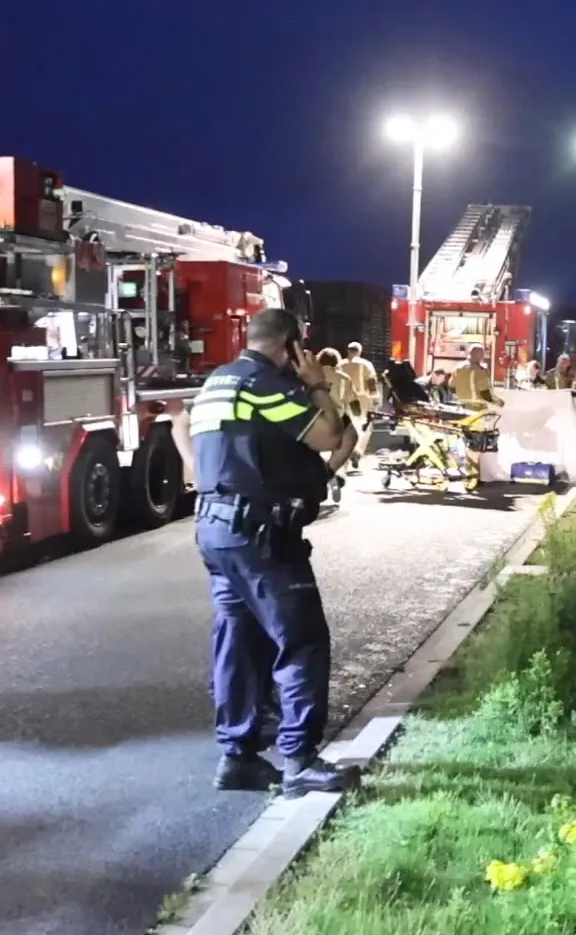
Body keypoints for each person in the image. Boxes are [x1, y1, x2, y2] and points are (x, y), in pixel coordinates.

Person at [176, 307, 361, 796]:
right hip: (259, 533)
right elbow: (330, 435)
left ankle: (238, 758)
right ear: (290, 346)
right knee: (301, 641)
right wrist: (317, 385)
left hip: (215, 527)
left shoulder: (217, 381)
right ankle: (299, 760)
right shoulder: (263, 385)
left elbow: (185, 435)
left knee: (238, 643)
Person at [334, 342, 378, 472]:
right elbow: (371, 382)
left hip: (345, 400)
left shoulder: (340, 365)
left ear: (348, 351)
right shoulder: (366, 364)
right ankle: (357, 452)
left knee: (348, 428)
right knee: (362, 428)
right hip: (362, 400)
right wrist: (375, 398)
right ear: (360, 351)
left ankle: (347, 453)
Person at [450, 345, 504, 409]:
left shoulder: (458, 368)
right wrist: (498, 402)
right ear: (474, 354)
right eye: (481, 353)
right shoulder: (480, 371)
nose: (483, 356)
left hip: (461, 407)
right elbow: (485, 394)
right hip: (477, 407)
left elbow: (451, 386)